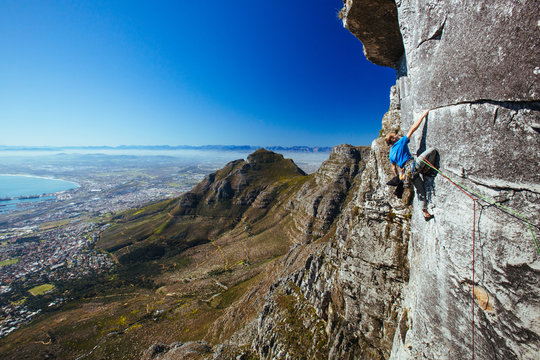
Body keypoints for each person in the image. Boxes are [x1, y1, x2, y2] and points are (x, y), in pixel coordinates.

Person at [385, 110, 438, 220]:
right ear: (393, 139)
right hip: (413, 166)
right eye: (394, 136)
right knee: (432, 151)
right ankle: (427, 170)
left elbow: (394, 167)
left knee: (420, 190)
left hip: (406, 173)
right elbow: (413, 129)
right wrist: (423, 116)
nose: (397, 136)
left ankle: (425, 212)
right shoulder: (400, 142)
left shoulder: (391, 154)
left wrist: (400, 177)